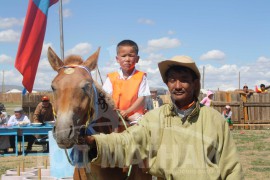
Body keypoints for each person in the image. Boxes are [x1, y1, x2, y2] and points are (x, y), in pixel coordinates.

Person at [85, 55, 243, 179]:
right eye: (172, 80)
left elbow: (231, 167)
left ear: (195, 84)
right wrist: (96, 143)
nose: (178, 86)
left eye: (184, 80)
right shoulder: (154, 119)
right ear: (167, 84)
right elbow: (128, 142)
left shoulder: (214, 120)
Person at [102, 39, 150, 125]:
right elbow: (106, 96)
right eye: (123, 56)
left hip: (135, 117)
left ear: (137, 59)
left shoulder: (141, 76)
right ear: (117, 59)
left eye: (131, 56)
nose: (127, 59)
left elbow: (141, 98)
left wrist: (127, 111)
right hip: (115, 115)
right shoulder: (111, 77)